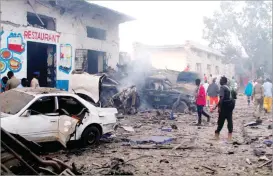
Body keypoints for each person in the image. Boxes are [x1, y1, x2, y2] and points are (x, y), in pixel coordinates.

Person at [213, 76, 235, 141]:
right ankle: (229, 137)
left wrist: (218, 106)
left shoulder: (222, 87)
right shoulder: (228, 87)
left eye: (221, 80)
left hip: (224, 107)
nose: (220, 81)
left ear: (223, 81)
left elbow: (221, 98)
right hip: (230, 107)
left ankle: (217, 134)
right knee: (230, 121)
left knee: (221, 122)